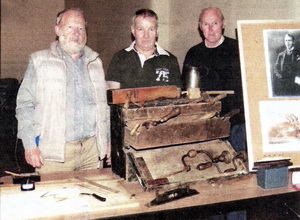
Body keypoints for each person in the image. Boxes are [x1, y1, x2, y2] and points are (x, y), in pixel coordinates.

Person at [16, 8, 111, 173]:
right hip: (53, 155)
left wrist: (107, 141)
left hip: (91, 152)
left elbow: (104, 107)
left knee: (91, 198)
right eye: (70, 27)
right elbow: (25, 106)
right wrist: (30, 145)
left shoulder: (95, 62)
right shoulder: (39, 61)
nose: (76, 33)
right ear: (58, 30)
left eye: (81, 28)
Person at [183, 7, 246, 152]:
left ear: (223, 24)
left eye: (215, 23)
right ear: (200, 27)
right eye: (206, 24)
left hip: (234, 125)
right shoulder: (193, 53)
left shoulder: (237, 49)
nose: (211, 29)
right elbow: (185, 91)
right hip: (203, 124)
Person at [106, 8, 182, 89]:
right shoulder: (119, 58)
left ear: (157, 32)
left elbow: (176, 95)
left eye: (151, 29)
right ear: (133, 30)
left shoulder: (170, 60)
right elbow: (114, 96)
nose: (146, 36)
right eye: (141, 29)